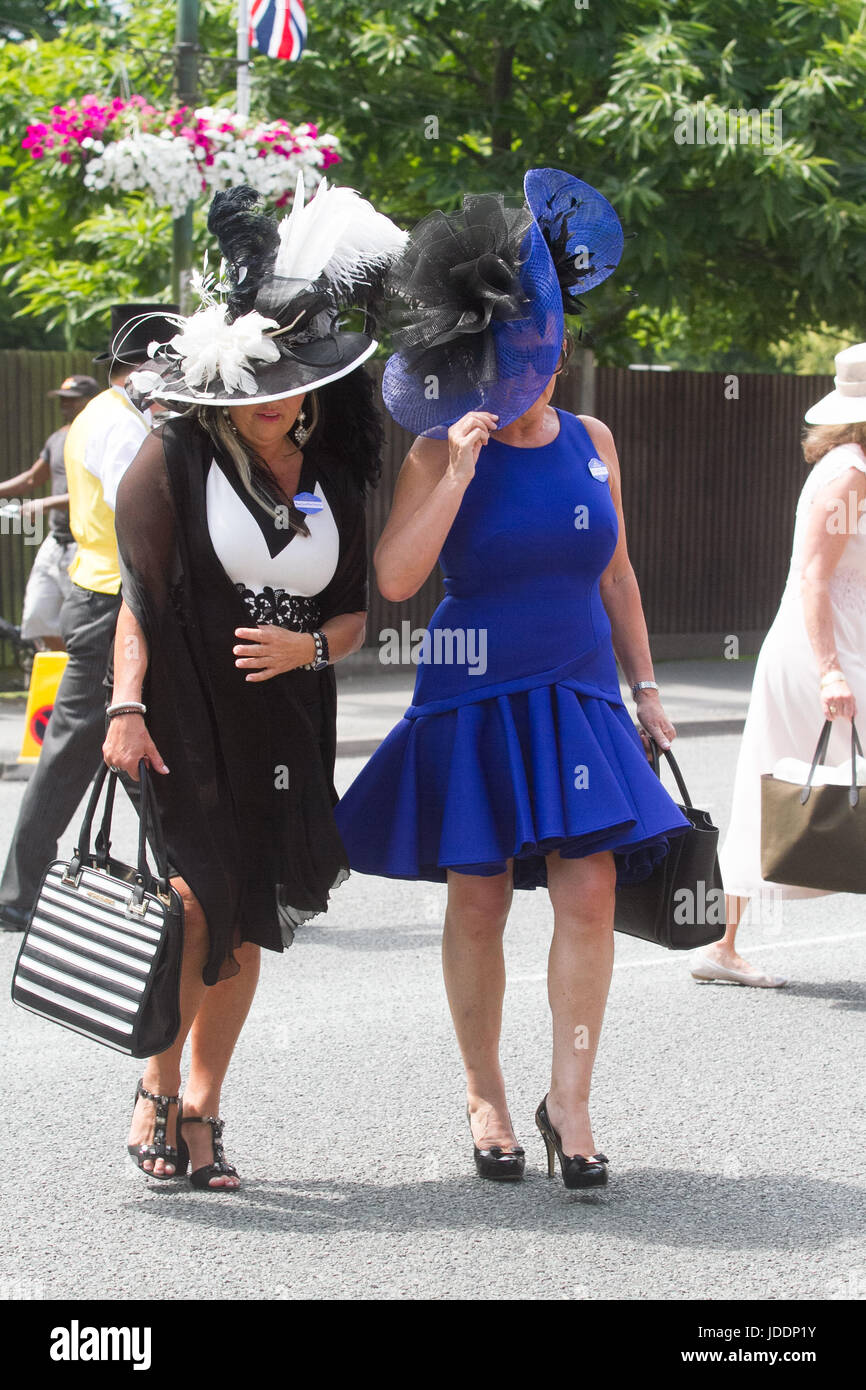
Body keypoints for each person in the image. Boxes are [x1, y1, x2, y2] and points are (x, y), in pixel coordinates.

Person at [334, 169, 690, 1190]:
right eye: (522, 347)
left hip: (577, 686)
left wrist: (648, 687)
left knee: (589, 890)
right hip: (469, 685)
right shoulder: (440, 447)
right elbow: (398, 578)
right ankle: (484, 1089)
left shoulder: (595, 441)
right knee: (479, 898)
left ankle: (567, 1101)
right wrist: (450, 475)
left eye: (549, 343)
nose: (542, 360)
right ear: (486, 353)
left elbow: (614, 570)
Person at [104, 181, 407, 1190]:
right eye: (259, 379)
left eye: (294, 379)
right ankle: (154, 1085)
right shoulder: (174, 457)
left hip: (286, 714)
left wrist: (308, 653)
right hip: (185, 707)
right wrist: (124, 706)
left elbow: (356, 613)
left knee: (249, 915)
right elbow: (139, 601)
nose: (278, 398)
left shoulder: (332, 474)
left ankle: (204, 1107)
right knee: (193, 899)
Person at [0, 306, 177, 932]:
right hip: (111, 598)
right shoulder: (122, 426)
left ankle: (193, 874)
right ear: (148, 367)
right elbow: (142, 515)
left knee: (126, 741)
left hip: (103, 591)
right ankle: (18, 894)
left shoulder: (98, 416)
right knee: (77, 744)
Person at [696, 343, 866, 988]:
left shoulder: (854, 463)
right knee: (776, 788)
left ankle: (722, 945)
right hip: (826, 648)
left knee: (769, 784)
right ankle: (723, 945)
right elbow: (816, 579)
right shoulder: (850, 471)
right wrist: (830, 671)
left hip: (842, 642)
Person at [0, 374, 98, 651]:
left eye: (72, 400)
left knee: (80, 626)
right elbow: (32, 479)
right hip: (55, 541)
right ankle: (69, 674)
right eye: (62, 400)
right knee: (37, 617)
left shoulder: (98, 437)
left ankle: (84, 681)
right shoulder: (57, 438)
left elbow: (100, 491)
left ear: (91, 402)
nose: (65, 405)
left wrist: (46, 503)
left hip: (86, 545)